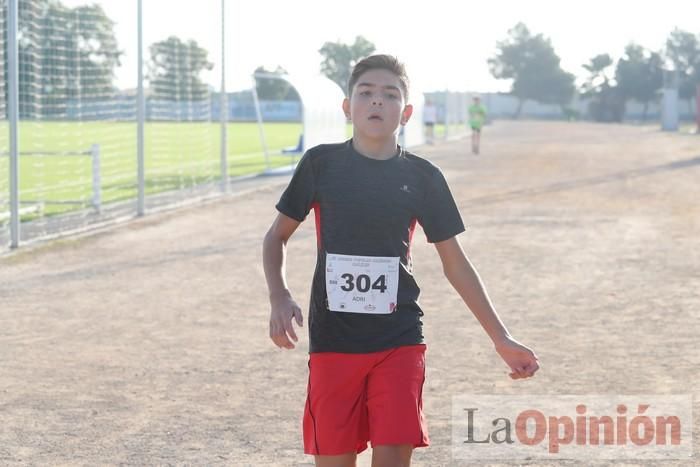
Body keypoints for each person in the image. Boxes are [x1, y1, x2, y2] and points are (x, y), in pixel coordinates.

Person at [262, 54, 538, 467]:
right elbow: (276, 237)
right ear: (347, 106)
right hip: (333, 343)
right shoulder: (321, 165)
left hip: (400, 339)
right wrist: (279, 296)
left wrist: (501, 337)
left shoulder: (424, 177)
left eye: (390, 95)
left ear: (405, 112)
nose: (377, 102)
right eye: (366, 93)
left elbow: (456, 263)